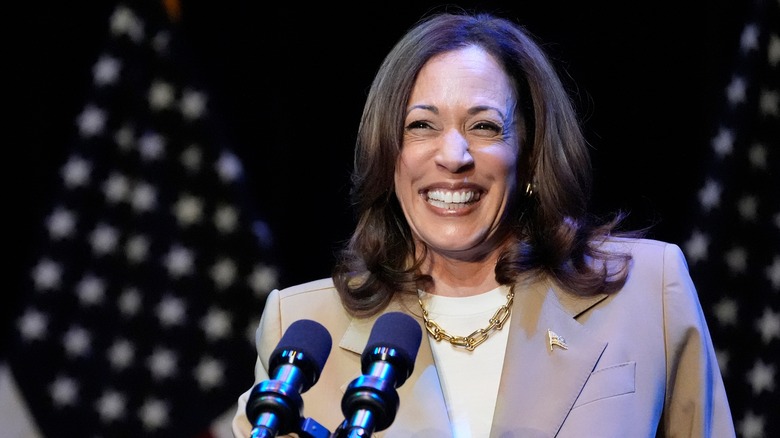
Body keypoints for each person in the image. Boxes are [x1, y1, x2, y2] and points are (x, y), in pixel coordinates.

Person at [232, 9, 735, 438]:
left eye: (485, 126)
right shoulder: (302, 325)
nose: (454, 155)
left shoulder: (646, 291)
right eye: (421, 126)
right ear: (390, 158)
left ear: (531, 154)